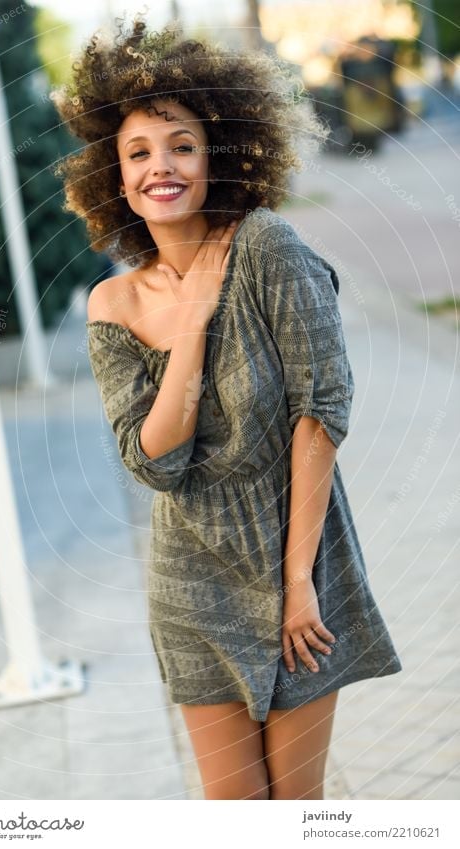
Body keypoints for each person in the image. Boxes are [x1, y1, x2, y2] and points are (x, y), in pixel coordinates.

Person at [52, 12, 402, 801]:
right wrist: (194, 323)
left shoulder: (267, 246)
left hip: (300, 565)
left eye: (181, 145)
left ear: (217, 157)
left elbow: (323, 408)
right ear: (113, 174)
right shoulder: (112, 302)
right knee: (236, 811)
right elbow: (154, 460)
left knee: (295, 806)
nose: (160, 167)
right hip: (191, 584)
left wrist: (297, 578)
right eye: (137, 152)